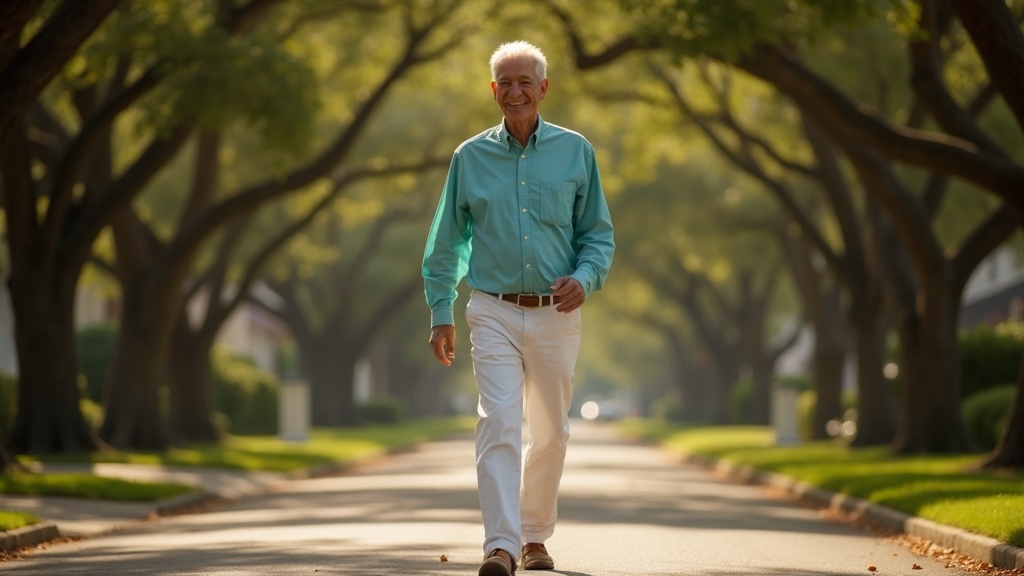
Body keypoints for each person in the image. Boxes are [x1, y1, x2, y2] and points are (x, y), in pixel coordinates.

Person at [421, 41, 614, 576]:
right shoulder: (470, 157)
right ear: (493, 90)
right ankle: (500, 546)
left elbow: (598, 236)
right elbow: (446, 244)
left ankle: (534, 536)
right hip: (493, 309)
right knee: (499, 422)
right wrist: (442, 310)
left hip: (557, 312)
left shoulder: (577, 152)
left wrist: (585, 277)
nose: (515, 91)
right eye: (505, 82)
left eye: (525, 81)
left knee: (551, 432)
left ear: (544, 88)